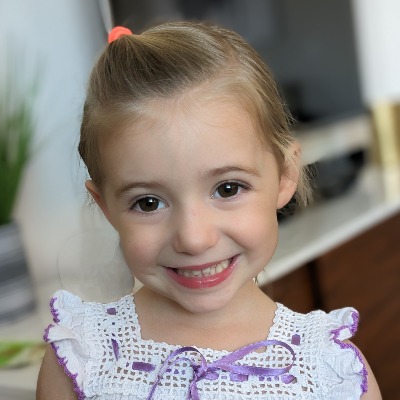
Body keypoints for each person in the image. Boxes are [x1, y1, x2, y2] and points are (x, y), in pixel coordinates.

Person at [36, 22, 381, 399]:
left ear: (285, 176)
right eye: (148, 203)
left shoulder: (331, 372)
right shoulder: (81, 358)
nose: (194, 239)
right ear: (106, 207)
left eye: (228, 188)